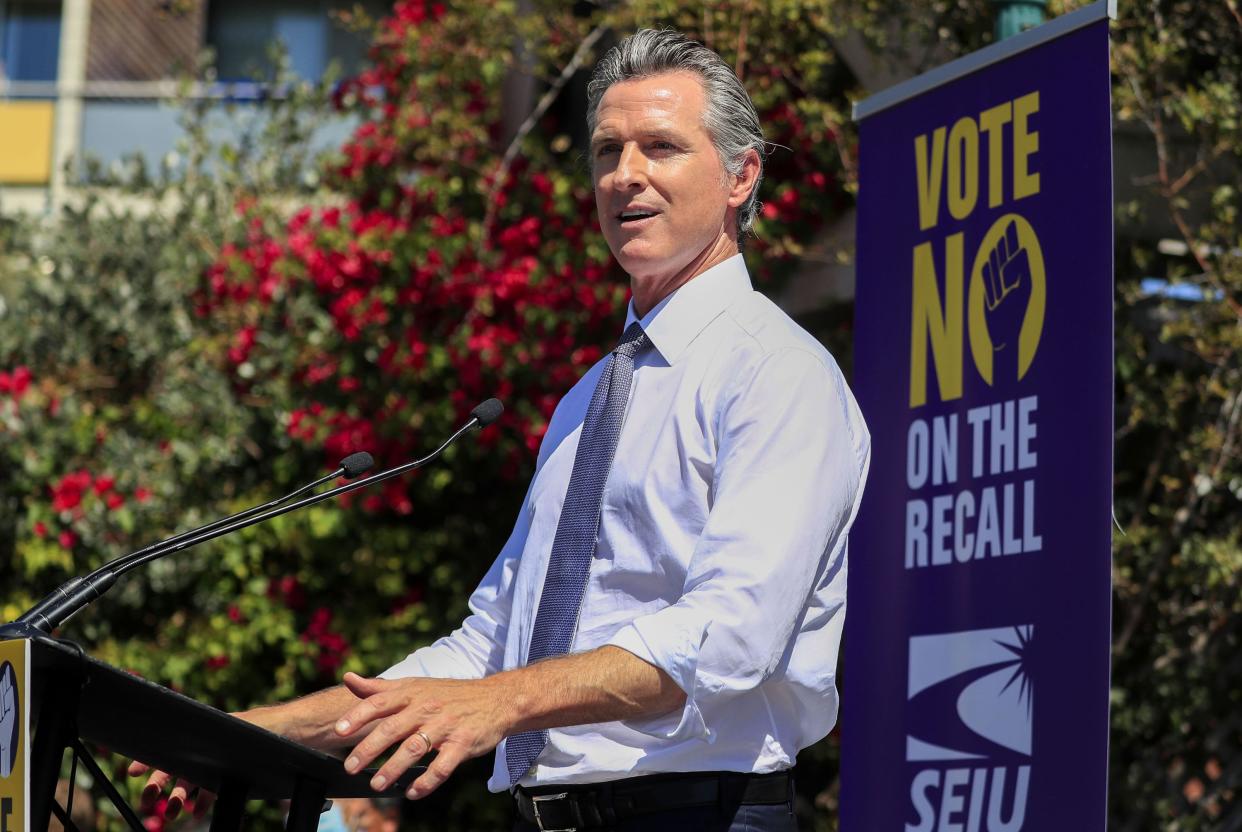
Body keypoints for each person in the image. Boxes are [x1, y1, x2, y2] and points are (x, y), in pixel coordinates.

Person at [132, 28, 870, 832]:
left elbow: (731, 637)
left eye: (661, 147)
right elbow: (489, 645)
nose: (626, 175)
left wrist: (501, 702)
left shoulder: (778, 374)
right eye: (606, 151)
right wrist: (234, 740)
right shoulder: (590, 397)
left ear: (741, 174)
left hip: (696, 811)